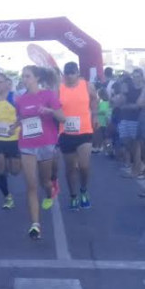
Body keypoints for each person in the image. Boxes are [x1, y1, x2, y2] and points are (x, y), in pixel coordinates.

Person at [16, 66, 65, 240]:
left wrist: (50, 111)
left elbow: (63, 118)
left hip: (46, 143)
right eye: (23, 76)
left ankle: (51, 187)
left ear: (37, 78)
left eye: (28, 76)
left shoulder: (48, 95)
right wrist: (12, 127)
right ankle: (35, 224)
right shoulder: (20, 99)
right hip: (27, 145)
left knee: (45, 181)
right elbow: (20, 119)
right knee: (31, 185)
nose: (24, 79)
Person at [57, 62, 98, 211]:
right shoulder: (59, 87)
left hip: (84, 130)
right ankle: (73, 195)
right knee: (70, 168)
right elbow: (54, 106)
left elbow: (94, 99)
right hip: (66, 132)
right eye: (67, 72)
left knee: (84, 166)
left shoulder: (86, 85)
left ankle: (83, 190)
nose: (69, 75)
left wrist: (94, 116)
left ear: (78, 73)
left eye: (72, 72)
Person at [0, 73, 21, 209]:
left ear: (7, 83)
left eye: (1, 82)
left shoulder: (15, 97)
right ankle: (7, 196)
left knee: (15, 171)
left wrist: (16, 126)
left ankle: (13, 160)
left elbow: (24, 114)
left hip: (13, 138)